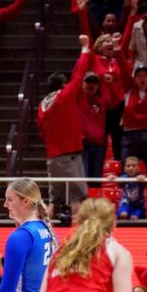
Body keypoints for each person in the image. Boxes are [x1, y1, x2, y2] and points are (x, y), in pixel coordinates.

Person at [39, 36, 91, 223]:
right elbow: (80, 74)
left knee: (54, 199)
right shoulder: (65, 96)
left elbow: (41, 131)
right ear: (63, 85)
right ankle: (78, 237)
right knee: (77, 197)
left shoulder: (42, 105)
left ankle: (43, 234)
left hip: (52, 157)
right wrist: (85, 49)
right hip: (69, 154)